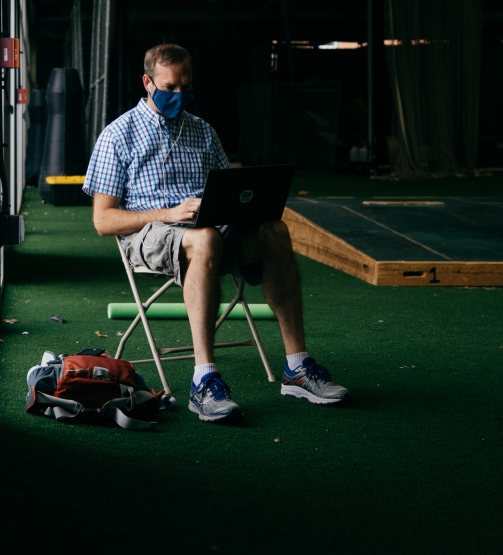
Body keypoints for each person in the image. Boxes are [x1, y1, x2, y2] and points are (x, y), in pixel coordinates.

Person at [82, 43, 349, 424]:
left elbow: (230, 189)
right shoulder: (118, 135)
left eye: (185, 88)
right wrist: (172, 213)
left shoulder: (203, 131)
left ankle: (297, 368)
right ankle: (203, 380)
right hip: (151, 235)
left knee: (274, 230)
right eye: (170, 88)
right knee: (204, 238)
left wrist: (247, 207)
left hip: (212, 229)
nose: (179, 96)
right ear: (147, 82)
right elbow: (103, 221)